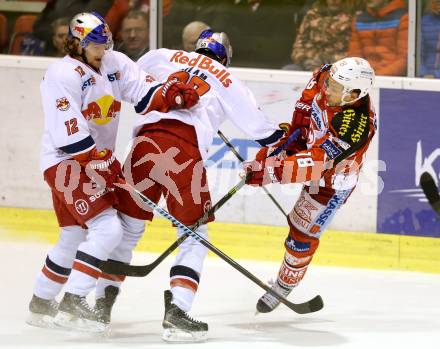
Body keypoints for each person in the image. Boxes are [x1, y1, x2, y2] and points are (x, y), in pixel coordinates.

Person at [95, 29, 288, 342]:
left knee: (128, 227)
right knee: (194, 236)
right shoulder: (226, 78)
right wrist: (287, 140)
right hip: (183, 155)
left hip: (144, 145)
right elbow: (264, 133)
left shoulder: (161, 56)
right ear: (225, 57)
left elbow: (132, 86)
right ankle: (178, 312)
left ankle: (100, 306)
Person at [26, 11, 199, 332]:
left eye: (105, 43)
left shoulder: (114, 63)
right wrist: (97, 161)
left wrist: (172, 95)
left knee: (73, 235)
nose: (102, 50)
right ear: (76, 42)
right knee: (108, 230)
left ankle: (41, 301)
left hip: (96, 161)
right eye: (95, 45)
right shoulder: (61, 74)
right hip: (67, 162)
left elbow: (144, 92)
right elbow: (68, 131)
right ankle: (74, 301)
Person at [244, 57, 376, 313]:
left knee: (301, 236)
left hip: (331, 184)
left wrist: (271, 171)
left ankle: (283, 285)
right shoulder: (325, 75)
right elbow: (305, 107)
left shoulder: (355, 126)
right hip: (310, 148)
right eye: (330, 82)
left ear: (354, 94)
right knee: (296, 221)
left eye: (336, 88)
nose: (327, 88)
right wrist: (287, 142)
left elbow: (317, 161)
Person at [288, 0, 357, 71]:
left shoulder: (353, 17)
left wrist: (334, 62)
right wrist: (308, 61)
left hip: (341, 66)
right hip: (311, 63)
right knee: (289, 69)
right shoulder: (312, 15)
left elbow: (357, 50)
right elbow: (298, 46)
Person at [347, 0, 408, 76]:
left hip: (394, 80)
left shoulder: (403, 18)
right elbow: (354, 57)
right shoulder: (359, 20)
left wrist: (376, 76)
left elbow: (405, 59)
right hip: (365, 78)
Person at [419, 0, 440, 78]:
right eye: (437, 1)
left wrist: (436, 75)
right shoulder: (423, 21)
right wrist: (424, 73)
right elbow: (417, 53)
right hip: (425, 76)